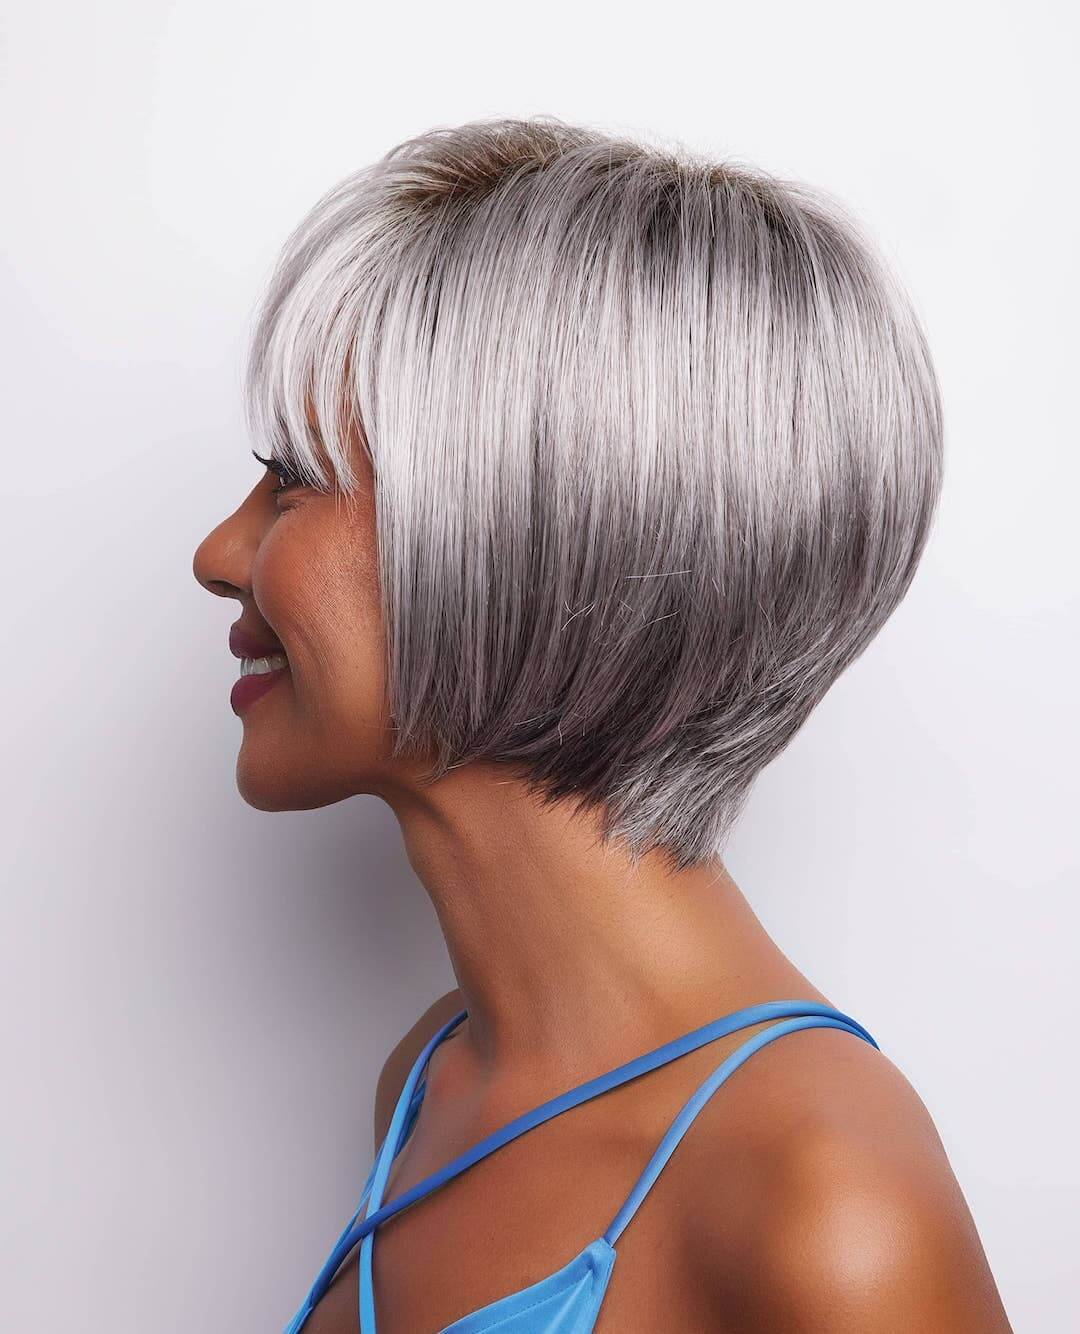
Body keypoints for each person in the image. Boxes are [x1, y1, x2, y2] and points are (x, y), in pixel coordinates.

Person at [193, 116, 1012, 1332]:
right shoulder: (430, 1084)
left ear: (526, 526)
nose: (218, 553)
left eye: (296, 478)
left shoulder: (825, 1198)